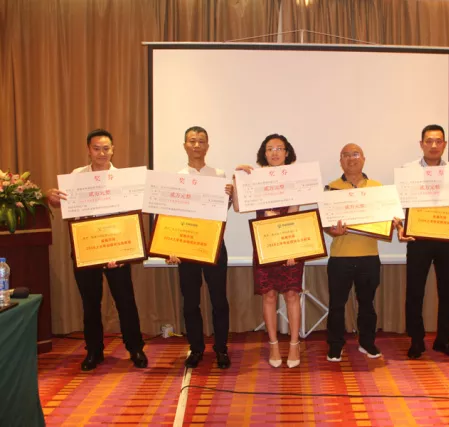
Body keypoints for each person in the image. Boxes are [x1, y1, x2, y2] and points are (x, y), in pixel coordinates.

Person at [46, 128, 148, 371]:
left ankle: (135, 348)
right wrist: (52, 197)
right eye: (96, 148)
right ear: (88, 150)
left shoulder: (124, 178)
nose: (101, 153)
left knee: (125, 301)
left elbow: (131, 215)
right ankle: (94, 351)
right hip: (88, 247)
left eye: (106, 148)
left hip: (117, 247)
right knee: (90, 302)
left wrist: (123, 251)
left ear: (113, 150)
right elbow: (61, 204)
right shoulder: (76, 177)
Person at [395, 124, 449, 360]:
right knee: (415, 291)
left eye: (438, 141)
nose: (433, 145)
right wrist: (400, 226)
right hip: (418, 238)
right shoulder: (408, 171)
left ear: (444, 144)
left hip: (448, 238)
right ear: (421, 144)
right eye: (429, 141)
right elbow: (397, 203)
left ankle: (444, 339)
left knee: (448, 291)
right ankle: (416, 340)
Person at [232, 134, 303, 369]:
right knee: (269, 295)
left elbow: (294, 212)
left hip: (289, 241)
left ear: (287, 153)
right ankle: (273, 344)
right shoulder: (255, 178)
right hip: (265, 244)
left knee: (291, 294)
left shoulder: (294, 177)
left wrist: (291, 250)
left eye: (279, 148)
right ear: (264, 153)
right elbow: (239, 207)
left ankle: (294, 344)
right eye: (270, 148)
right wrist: (238, 180)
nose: (274, 152)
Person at [164, 126, 232, 369]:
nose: (196, 145)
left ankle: (221, 348)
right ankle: (196, 348)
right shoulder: (176, 177)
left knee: (219, 300)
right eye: (192, 141)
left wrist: (231, 195)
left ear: (207, 146)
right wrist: (170, 247)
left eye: (201, 141)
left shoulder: (219, 175)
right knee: (191, 302)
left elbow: (222, 209)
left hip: (214, 245)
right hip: (186, 247)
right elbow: (171, 215)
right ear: (185, 145)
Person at [324, 143, 384, 362]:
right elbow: (325, 222)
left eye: (355, 154)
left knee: (367, 304)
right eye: (346, 155)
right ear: (340, 161)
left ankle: (367, 342)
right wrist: (331, 230)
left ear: (364, 159)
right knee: (337, 305)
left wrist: (392, 221)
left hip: (369, 256)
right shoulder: (331, 189)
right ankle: (335, 345)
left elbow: (386, 216)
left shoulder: (377, 188)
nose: (351, 159)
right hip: (340, 257)